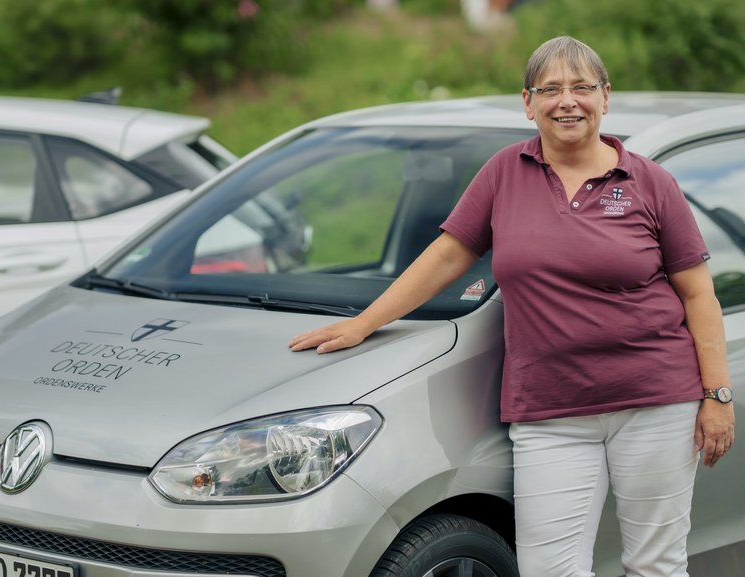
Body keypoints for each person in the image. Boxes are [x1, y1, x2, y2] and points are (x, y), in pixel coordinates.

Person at [289, 36, 735, 577]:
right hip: (550, 409)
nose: (567, 101)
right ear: (528, 102)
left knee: (655, 565)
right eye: (550, 89)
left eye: (581, 87)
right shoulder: (505, 173)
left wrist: (716, 395)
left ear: (604, 97)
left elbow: (698, 293)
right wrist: (365, 323)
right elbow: (450, 253)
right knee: (549, 569)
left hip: (656, 403)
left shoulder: (649, 182)